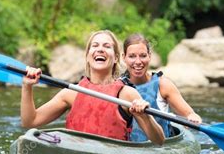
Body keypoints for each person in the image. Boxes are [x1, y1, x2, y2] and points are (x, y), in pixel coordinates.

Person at [21, 30, 165, 145]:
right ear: (88, 56)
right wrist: (27, 86)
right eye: (95, 46)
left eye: (107, 46)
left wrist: (145, 117)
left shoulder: (127, 94)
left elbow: (159, 141)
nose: (100, 49)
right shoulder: (71, 94)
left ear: (115, 58)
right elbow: (30, 121)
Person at [122, 33, 202, 142]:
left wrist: (193, 117)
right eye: (132, 56)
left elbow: (190, 114)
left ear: (149, 56)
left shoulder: (163, 85)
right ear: (123, 57)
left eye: (143, 55)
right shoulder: (118, 86)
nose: (138, 61)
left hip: (160, 148)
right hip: (129, 150)